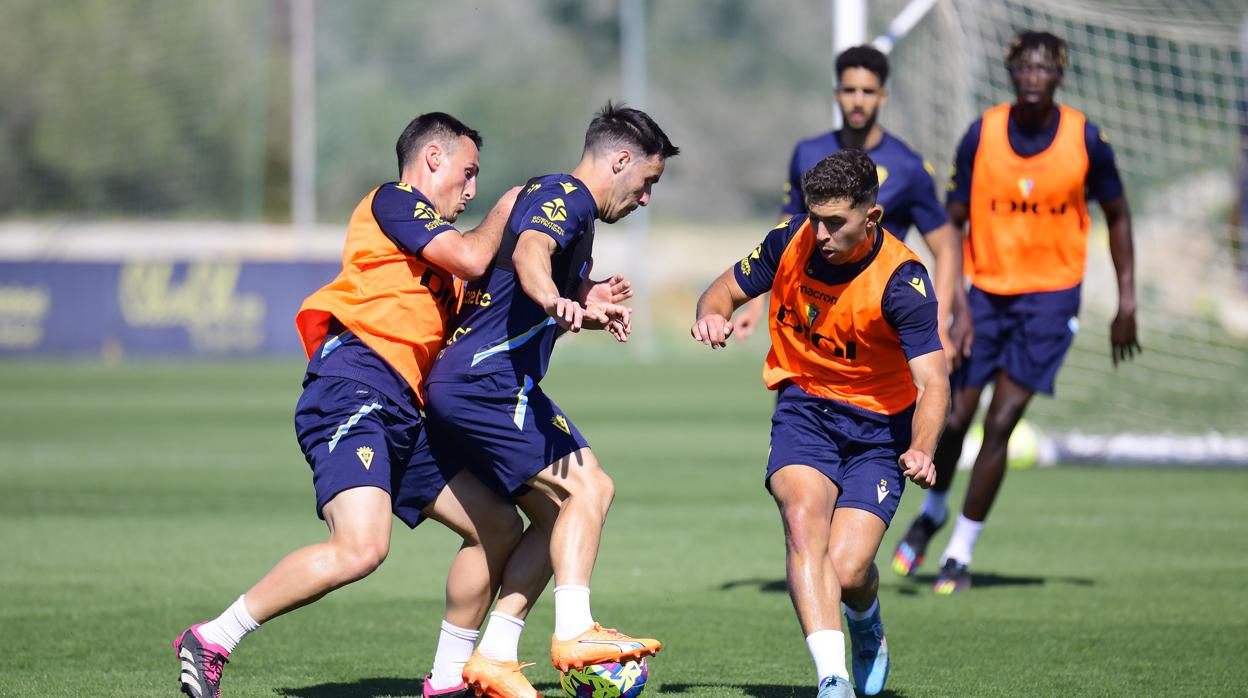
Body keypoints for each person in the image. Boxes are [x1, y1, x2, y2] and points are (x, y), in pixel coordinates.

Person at [172, 112, 525, 698]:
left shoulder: (448, 262)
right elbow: (469, 257)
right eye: (467, 174)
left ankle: (443, 683)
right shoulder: (395, 202)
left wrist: (579, 301)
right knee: (361, 548)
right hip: (354, 388)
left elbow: (485, 302)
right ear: (432, 158)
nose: (471, 190)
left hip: (408, 413)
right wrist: (506, 212)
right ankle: (213, 638)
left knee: (496, 527)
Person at [422, 102, 678, 689]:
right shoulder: (564, 195)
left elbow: (538, 273)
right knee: (593, 486)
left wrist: (586, 304)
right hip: (486, 381)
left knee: (555, 517)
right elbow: (529, 252)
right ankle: (575, 628)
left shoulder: (574, 211)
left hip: (475, 382)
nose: (645, 199)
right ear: (620, 161)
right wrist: (549, 295)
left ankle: (494, 654)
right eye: (647, 183)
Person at [691, 150, 948, 698]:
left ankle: (867, 622)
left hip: (880, 431)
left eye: (837, 222)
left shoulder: (902, 281)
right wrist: (709, 314)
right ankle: (832, 679)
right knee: (803, 519)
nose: (823, 233)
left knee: (849, 569)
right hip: (804, 409)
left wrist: (923, 448)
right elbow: (722, 289)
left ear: (872, 218)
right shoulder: (790, 241)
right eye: (816, 218)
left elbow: (934, 383)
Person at [890, 31, 1140, 594]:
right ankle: (933, 511)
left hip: (1051, 300)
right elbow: (951, 222)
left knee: (1001, 422)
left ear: (1059, 75)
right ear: (1010, 73)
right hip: (985, 296)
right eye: (1023, 67)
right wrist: (957, 304)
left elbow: (1119, 215)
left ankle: (959, 551)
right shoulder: (982, 135)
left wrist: (1127, 302)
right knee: (954, 415)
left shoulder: (1086, 139)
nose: (1033, 77)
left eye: (1043, 69)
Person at [736, 45, 969, 370]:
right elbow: (783, 236)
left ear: (883, 96)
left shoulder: (908, 166)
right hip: (811, 318)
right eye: (849, 90)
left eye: (867, 91)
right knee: (797, 412)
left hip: (876, 322)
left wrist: (940, 321)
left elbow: (946, 248)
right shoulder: (807, 153)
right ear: (836, 94)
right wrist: (756, 303)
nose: (858, 100)